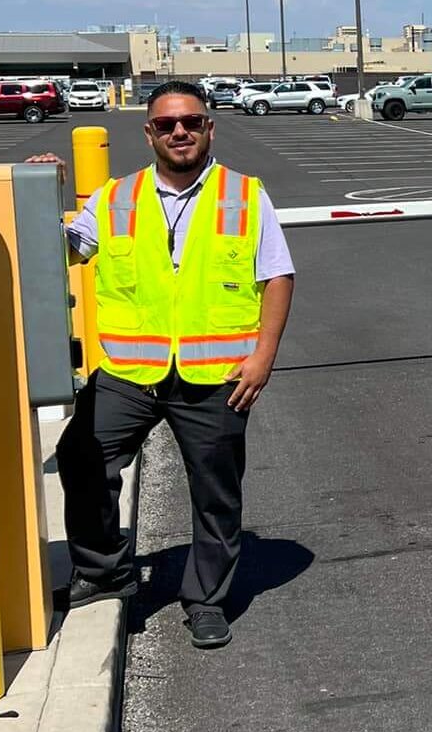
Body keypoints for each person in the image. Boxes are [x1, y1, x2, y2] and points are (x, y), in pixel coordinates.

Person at [35, 79, 296, 649]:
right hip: (131, 371)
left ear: (210, 127)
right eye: (168, 124)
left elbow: (276, 276)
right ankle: (106, 572)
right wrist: (39, 191)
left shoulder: (245, 195)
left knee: (215, 492)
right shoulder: (114, 197)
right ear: (150, 133)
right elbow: (67, 248)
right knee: (82, 458)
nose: (181, 132)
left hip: (216, 373)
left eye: (192, 122)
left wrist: (263, 359)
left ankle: (205, 599)